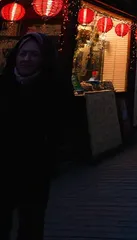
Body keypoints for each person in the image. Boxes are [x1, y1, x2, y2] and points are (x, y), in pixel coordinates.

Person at [0, 32, 74, 240]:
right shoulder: (4, 84)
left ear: (43, 58)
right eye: (23, 53)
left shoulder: (55, 87)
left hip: (36, 169)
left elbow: (64, 126)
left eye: (33, 54)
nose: (26, 59)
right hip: (3, 166)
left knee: (31, 223)